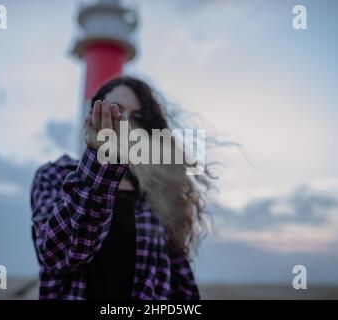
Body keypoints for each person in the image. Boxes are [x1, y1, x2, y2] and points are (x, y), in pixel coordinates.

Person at [30, 76, 214, 300]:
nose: (125, 121)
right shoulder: (55, 175)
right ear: (92, 114)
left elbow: (179, 280)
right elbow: (57, 254)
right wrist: (101, 162)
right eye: (116, 109)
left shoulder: (157, 191)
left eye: (137, 116)